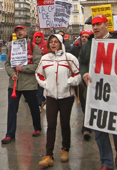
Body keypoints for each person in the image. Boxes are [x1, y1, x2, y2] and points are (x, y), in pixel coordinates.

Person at [78, 14, 117, 170]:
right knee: (99, 130)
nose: (95, 27)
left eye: (98, 24)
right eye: (93, 24)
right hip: (95, 94)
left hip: (115, 94)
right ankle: (106, 162)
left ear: (106, 25)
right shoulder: (88, 44)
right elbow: (82, 62)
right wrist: (84, 73)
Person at [36, 34, 81, 167]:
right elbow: (39, 74)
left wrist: (69, 82)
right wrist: (45, 84)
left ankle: (65, 149)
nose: (53, 44)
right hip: (50, 96)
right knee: (50, 125)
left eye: (56, 42)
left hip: (66, 96)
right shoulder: (44, 59)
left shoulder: (69, 58)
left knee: (65, 123)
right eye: (51, 42)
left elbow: (77, 74)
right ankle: (49, 154)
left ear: (61, 43)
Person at [1, 25, 42, 144]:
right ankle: (10, 134)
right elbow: (7, 64)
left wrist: (23, 68)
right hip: (14, 84)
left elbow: (37, 65)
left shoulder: (33, 47)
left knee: (34, 107)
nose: (19, 32)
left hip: (29, 84)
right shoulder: (13, 47)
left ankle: (37, 128)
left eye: (21, 30)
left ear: (25, 32)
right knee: (11, 109)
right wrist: (12, 73)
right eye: (17, 31)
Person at [69, 29, 93, 141]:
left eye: (87, 37)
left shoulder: (92, 47)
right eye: (83, 36)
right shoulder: (74, 49)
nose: (84, 38)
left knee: (89, 104)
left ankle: (86, 128)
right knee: (83, 104)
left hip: (91, 80)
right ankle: (87, 122)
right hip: (79, 81)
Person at [32, 31, 48, 111]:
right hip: (33, 69)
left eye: (39, 37)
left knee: (40, 87)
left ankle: (39, 105)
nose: (37, 38)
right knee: (35, 89)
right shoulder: (32, 46)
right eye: (36, 37)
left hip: (43, 70)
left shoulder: (45, 45)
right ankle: (43, 100)